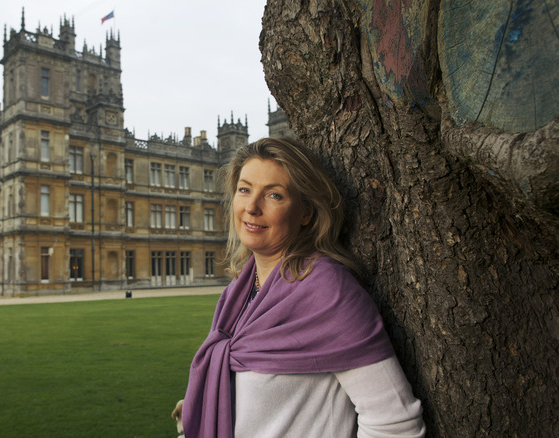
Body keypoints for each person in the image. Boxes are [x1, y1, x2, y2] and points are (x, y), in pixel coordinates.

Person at [173, 138, 425, 437]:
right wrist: (204, 399)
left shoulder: (327, 291)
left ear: (306, 212)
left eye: (274, 195)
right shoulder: (239, 293)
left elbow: (395, 423)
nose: (251, 207)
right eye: (244, 189)